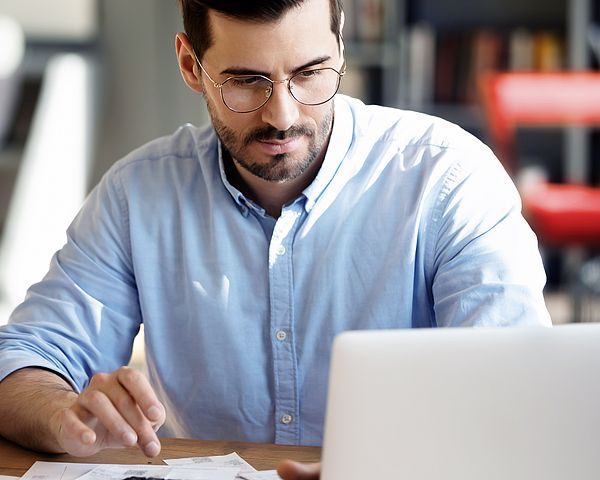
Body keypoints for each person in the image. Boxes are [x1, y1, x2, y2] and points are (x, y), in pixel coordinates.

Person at [0, 0, 550, 475]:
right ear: (191, 66)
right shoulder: (136, 194)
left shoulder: (448, 179)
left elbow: (517, 396)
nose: (282, 116)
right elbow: (22, 357)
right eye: (245, 81)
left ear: (340, 45)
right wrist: (59, 413)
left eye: (310, 73)